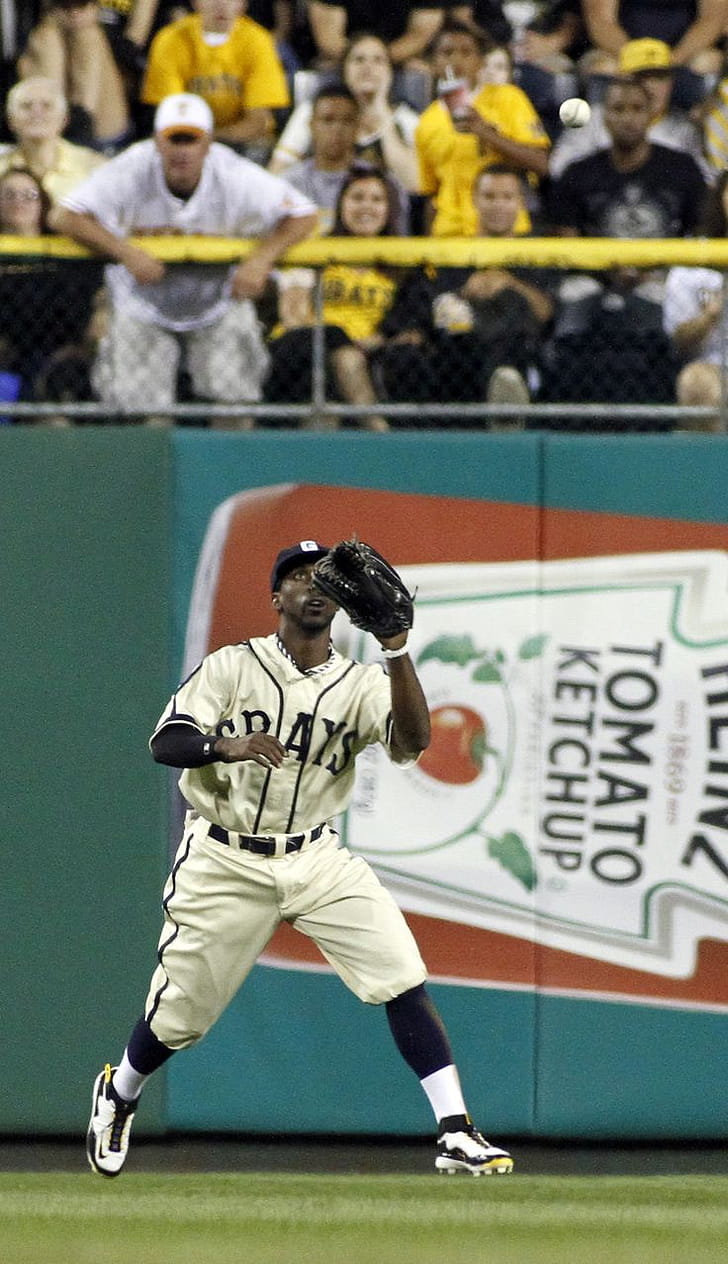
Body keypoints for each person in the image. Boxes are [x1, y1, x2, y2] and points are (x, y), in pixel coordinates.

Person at [85, 536, 515, 1179]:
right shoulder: (233, 667)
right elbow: (166, 741)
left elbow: (414, 741)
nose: (312, 586)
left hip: (316, 856)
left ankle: (456, 1131)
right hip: (226, 858)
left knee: (400, 972)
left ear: (341, 600)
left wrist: (397, 650)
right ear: (275, 597)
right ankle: (120, 1093)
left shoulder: (363, 683)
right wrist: (224, 746)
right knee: (180, 1016)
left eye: (323, 577)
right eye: (298, 576)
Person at [50, 92, 317, 423]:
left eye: (190, 139)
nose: (182, 150)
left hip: (218, 302)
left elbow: (304, 214)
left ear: (208, 144)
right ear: (157, 142)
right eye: (173, 139)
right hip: (142, 303)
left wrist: (261, 259)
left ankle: (232, 459)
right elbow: (64, 216)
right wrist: (125, 252)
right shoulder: (133, 166)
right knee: (142, 415)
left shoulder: (233, 172)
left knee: (235, 405)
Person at [376, 164, 555, 426]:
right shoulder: (452, 254)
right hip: (454, 361)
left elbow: (546, 312)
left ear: (521, 202)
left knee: (509, 320)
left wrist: (509, 283)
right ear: (474, 200)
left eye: (507, 197)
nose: (498, 205)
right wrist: (465, 292)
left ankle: (507, 411)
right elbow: (425, 308)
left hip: (515, 355)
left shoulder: (537, 253)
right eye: (489, 196)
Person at [262, 164, 400, 430]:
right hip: (305, 349)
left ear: (388, 209)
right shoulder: (315, 251)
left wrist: (369, 342)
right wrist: (338, 341)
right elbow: (293, 316)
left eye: (377, 200)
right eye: (357, 197)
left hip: (367, 354)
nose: (366, 207)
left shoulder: (401, 266)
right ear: (341, 204)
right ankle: (379, 431)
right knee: (335, 337)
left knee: (348, 360)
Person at [415, 20, 550, 236]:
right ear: (433, 63)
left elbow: (541, 163)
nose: (456, 60)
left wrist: (485, 132)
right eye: (447, 52)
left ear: (480, 61)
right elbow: (431, 193)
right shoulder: (426, 122)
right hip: (450, 234)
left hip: (507, 232)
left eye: (466, 52)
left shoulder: (508, 98)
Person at [545, 77, 708, 237]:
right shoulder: (578, 175)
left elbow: (701, 234)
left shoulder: (682, 169)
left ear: (650, 114)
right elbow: (566, 242)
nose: (628, 119)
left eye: (637, 109)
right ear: (604, 116)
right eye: (618, 109)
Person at [0, 165, 103, 414]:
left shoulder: (66, 256)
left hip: (63, 355)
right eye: (9, 194)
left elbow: (90, 306)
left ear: (42, 204)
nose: (19, 202)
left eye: (29, 195)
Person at [270, 32, 421, 197]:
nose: (368, 67)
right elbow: (276, 174)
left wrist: (381, 109)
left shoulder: (406, 119)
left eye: (378, 60)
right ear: (344, 69)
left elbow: (414, 184)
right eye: (359, 60)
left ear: (390, 71)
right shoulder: (314, 111)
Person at [141, 0, 290, 157]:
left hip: (241, 145)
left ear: (243, 3)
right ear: (195, 2)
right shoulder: (170, 39)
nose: (221, 4)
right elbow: (171, 114)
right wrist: (195, 142)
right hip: (185, 140)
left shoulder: (258, 40)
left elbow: (258, 123)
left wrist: (211, 139)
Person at [549, 37, 711, 180]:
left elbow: (704, 181)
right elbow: (559, 168)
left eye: (660, 77)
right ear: (621, 80)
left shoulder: (685, 130)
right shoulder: (591, 120)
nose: (652, 87)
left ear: (671, 82)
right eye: (642, 76)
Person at [281, 83, 411, 234]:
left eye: (347, 121)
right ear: (311, 125)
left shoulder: (383, 184)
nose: (337, 129)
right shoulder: (288, 184)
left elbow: (398, 238)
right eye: (328, 120)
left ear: (358, 127)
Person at [17, 0, 134, 153]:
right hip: (45, 131)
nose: (74, 13)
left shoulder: (95, 35)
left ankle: (81, 124)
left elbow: (134, 46)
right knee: (47, 39)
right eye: (66, 7)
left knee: (88, 35)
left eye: (81, 6)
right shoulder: (43, 36)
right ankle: (53, 126)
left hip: (106, 127)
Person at [662, 171, 728, 433]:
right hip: (716, 367)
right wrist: (709, 316)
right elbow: (679, 342)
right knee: (696, 382)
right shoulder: (695, 261)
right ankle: (707, 459)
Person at [580, 0, 728, 110]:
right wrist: (637, 57)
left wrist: (672, 59)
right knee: (603, 66)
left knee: (708, 63)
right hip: (621, 51)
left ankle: (697, 131)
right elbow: (600, 20)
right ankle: (600, 135)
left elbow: (712, 19)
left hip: (682, 53)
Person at [0, 76, 106, 203]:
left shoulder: (93, 168)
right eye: (26, 106)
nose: (36, 113)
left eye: (47, 106)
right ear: (10, 120)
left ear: (64, 119)